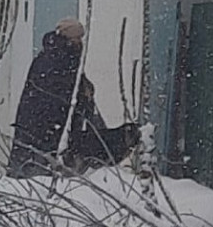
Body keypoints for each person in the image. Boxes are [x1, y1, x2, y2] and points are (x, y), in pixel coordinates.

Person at [8, 18, 140, 178]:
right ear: (66, 38)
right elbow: (55, 90)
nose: (79, 42)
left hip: (56, 124)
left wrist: (85, 90)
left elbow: (73, 85)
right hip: (45, 124)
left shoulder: (67, 57)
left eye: (80, 39)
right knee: (39, 164)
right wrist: (77, 97)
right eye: (76, 38)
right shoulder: (53, 59)